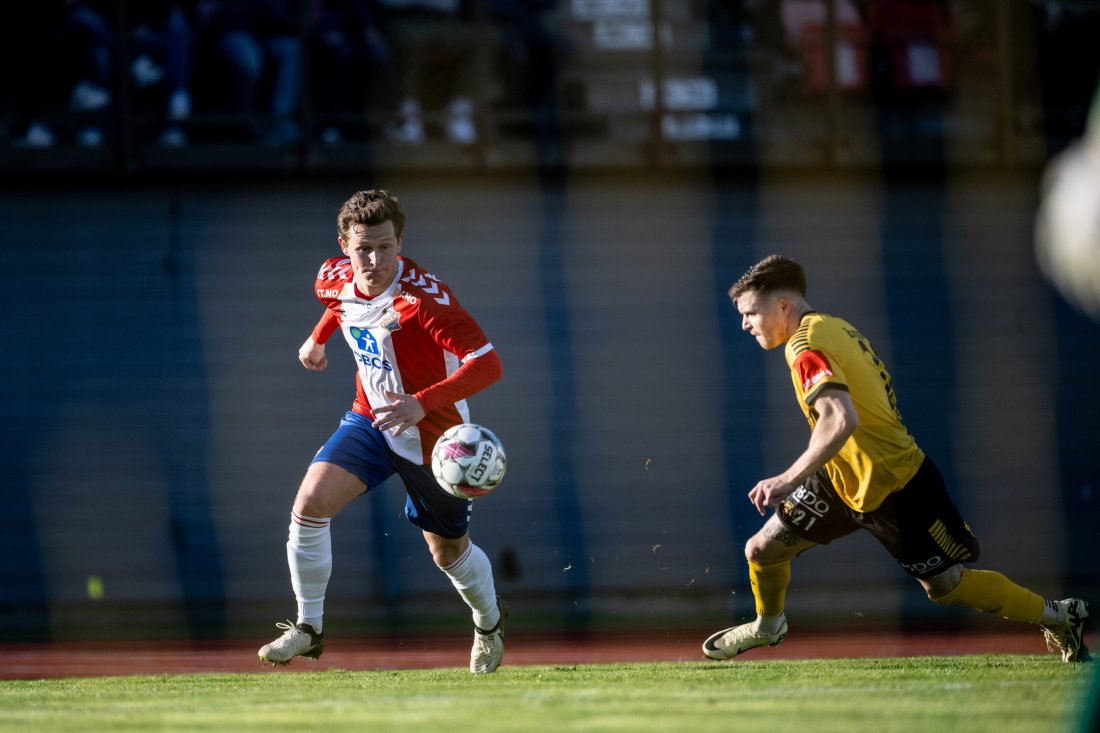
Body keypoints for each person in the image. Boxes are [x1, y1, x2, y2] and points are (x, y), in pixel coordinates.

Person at [703, 254, 1090, 663]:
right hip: (841, 478)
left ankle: (1059, 615)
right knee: (762, 550)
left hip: (897, 486)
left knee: (947, 587)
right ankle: (768, 626)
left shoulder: (806, 345)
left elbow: (840, 419)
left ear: (783, 305)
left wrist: (786, 479)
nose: (745, 323)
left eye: (750, 312)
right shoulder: (835, 327)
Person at [258, 189, 507, 674]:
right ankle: (309, 627)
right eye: (363, 249)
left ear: (401, 242)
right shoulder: (332, 277)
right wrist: (316, 340)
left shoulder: (426, 301)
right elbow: (342, 303)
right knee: (310, 503)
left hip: (436, 435)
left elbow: (488, 364)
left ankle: (488, 623)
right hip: (370, 419)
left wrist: (421, 402)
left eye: (385, 247)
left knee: (447, 553)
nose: (374, 261)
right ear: (344, 247)